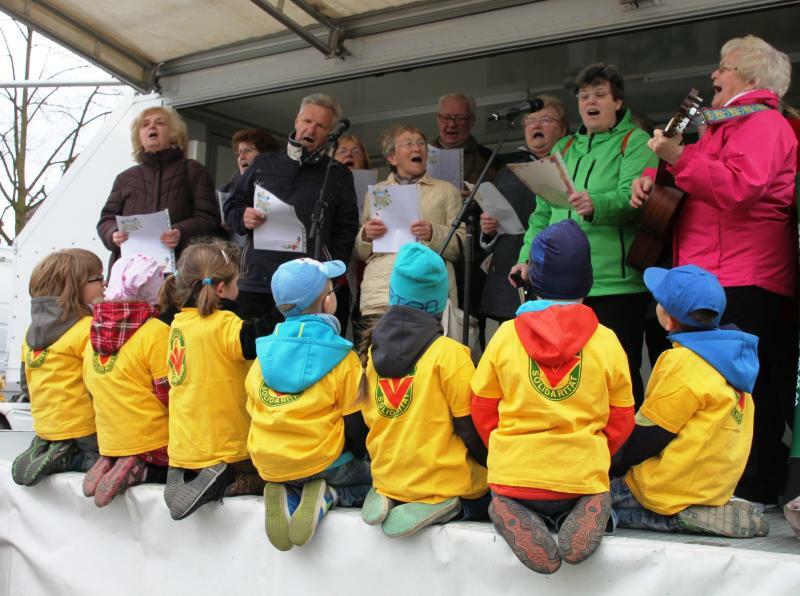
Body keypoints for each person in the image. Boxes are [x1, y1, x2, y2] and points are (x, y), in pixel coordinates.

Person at [630, 36, 798, 504]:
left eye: (722, 67)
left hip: (747, 274)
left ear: (749, 75)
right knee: (724, 382)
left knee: (750, 385)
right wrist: (653, 181)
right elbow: (698, 175)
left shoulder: (764, 122)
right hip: (718, 272)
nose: (713, 76)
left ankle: (756, 483)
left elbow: (740, 187)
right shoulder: (725, 123)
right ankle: (732, 479)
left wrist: (678, 159)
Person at [471, 220, 634, 575]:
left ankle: (507, 506)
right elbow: (622, 417)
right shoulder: (606, 340)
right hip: (580, 475)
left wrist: (502, 447)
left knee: (505, 495)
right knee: (598, 489)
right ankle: (592, 503)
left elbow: (482, 409)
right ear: (588, 280)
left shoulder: (505, 336)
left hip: (515, 473)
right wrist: (594, 451)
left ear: (533, 279)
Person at [511, 63, 658, 406]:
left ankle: (621, 456)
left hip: (615, 285)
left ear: (617, 102)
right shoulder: (563, 147)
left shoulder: (634, 142)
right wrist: (525, 259)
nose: (590, 101)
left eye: (600, 95)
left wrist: (597, 204)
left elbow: (635, 200)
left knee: (617, 376)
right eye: (584, 96)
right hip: (561, 287)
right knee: (570, 378)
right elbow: (542, 213)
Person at [610, 265, 768, 538]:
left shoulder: (682, 362)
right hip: (714, 487)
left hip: (666, 487)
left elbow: (650, 434)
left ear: (668, 320)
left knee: (596, 498)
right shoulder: (734, 360)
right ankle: (707, 508)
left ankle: (681, 517)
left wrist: (612, 463)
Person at [359, 243, 489, 538]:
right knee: (490, 494)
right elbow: (469, 428)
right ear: (441, 302)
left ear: (393, 295)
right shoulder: (451, 354)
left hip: (388, 473)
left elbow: (371, 420)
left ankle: (391, 492)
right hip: (443, 479)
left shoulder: (372, 352)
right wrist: (489, 460)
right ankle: (446, 504)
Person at [247, 258, 371, 551]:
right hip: (323, 462)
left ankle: (288, 491)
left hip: (268, 461)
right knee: (372, 481)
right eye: (331, 290)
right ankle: (330, 495)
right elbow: (355, 426)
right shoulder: (343, 358)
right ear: (327, 303)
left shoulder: (262, 356)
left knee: (296, 470)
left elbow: (253, 408)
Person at [162, 241, 278, 520]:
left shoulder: (178, 324)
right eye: (237, 281)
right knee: (275, 473)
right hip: (225, 444)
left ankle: (189, 472)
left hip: (184, 444)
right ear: (222, 289)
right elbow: (256, 339)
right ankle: (232, 479)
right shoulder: (225, 324)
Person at [224, 94, 358, 325]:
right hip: (259, 281)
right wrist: (242, 217)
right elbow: (231, 206)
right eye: (307, 121)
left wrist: (329, 273)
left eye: (320, 126)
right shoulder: (264, 164)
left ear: (329, 132)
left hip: (308, 288)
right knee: (252, 355)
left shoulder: (338, 175)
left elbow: (346, 230)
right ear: (296, 121)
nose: (311, 130)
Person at [355, 124, 464, 341]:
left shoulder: (447, 191)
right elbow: (360, 252)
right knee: (377, 358)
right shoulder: (376, 193)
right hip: (380, 291)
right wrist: (366, 235)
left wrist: (433, 232)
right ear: (392, 157)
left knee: (428, 361)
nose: (418, 148)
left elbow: (462, 246)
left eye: (421, 143)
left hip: (427, 290)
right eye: (409, 143)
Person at [81, 254, 171, 508]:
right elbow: (168, 391)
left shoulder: (93, 332)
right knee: (179, 465)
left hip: (110, 437)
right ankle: (143, 470)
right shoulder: (156, 332)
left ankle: (112, 459)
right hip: (151, 440)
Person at [12, 249, 104, 486]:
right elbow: (100, 381)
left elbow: (26, 384)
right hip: (85, 429)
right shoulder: (88, 328)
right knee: (103, 461)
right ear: (74, 286)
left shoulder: (29, 333)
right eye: (98, 278)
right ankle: (74, 460)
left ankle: (48, 448)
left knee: (61, 437)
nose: (105, 284)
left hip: (46, 425)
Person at [97, 105, 223, 268]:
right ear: (139, 136)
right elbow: (106, 220)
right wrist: (113, 234)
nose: (151, 126)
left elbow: (209, 219)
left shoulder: (192, 170)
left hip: (179, 269)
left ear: (173, 133)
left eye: (160, 123)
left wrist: (180, 232)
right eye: (145, 124)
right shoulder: (125, 178)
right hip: (130, 272)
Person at [478, 95, 568, 322]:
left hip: (557, 273)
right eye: (530, 122)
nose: (536, 126)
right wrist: (488, 229)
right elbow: (494, 228)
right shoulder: (508, 171)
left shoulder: (572, 164)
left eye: (545, 120)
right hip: (513, 280)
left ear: (563, 129)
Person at [432, 92, 500, 346]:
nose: (451, 124)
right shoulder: (420, 156)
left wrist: (479, 199)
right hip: (432, 255)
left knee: (470, 329)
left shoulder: (490, 160)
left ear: (471, 121)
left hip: (472, 260)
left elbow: (501, 211)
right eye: (446, 117)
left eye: (459, 118)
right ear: (438, 119)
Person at [217, 128, 279, 244]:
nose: (241, 157)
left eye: (248, 150)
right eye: (239, 153)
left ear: (265, 156)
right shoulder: (224, 192)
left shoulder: (281, 187)